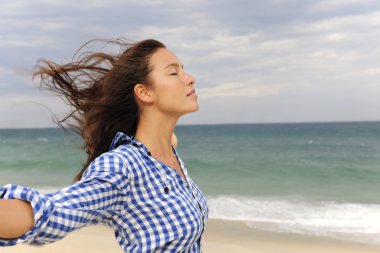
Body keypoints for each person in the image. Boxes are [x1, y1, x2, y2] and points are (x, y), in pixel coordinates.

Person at [0, 38, 209, 252]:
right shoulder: (123, 166)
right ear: (144, 93)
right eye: (174, 73)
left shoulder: (166, 150)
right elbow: (55, 213)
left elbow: (166, 137)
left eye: (183, 70)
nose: (190, 79)